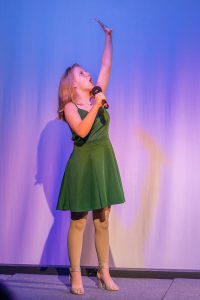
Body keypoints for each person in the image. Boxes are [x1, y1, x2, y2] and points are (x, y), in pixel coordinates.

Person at [56, 19, 125, 295]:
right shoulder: (70, 107)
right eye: (81, 73)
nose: (89, 74)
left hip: (103, 160)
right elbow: (83, 131)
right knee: (78, 220)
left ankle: (103, 272)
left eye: (87, 71)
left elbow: (106, 65)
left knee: (103, 218)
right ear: (72, 86)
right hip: (83, 165)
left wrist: (108, 37)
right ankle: (75, 275)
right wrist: (97, 104)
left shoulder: (98, 92)